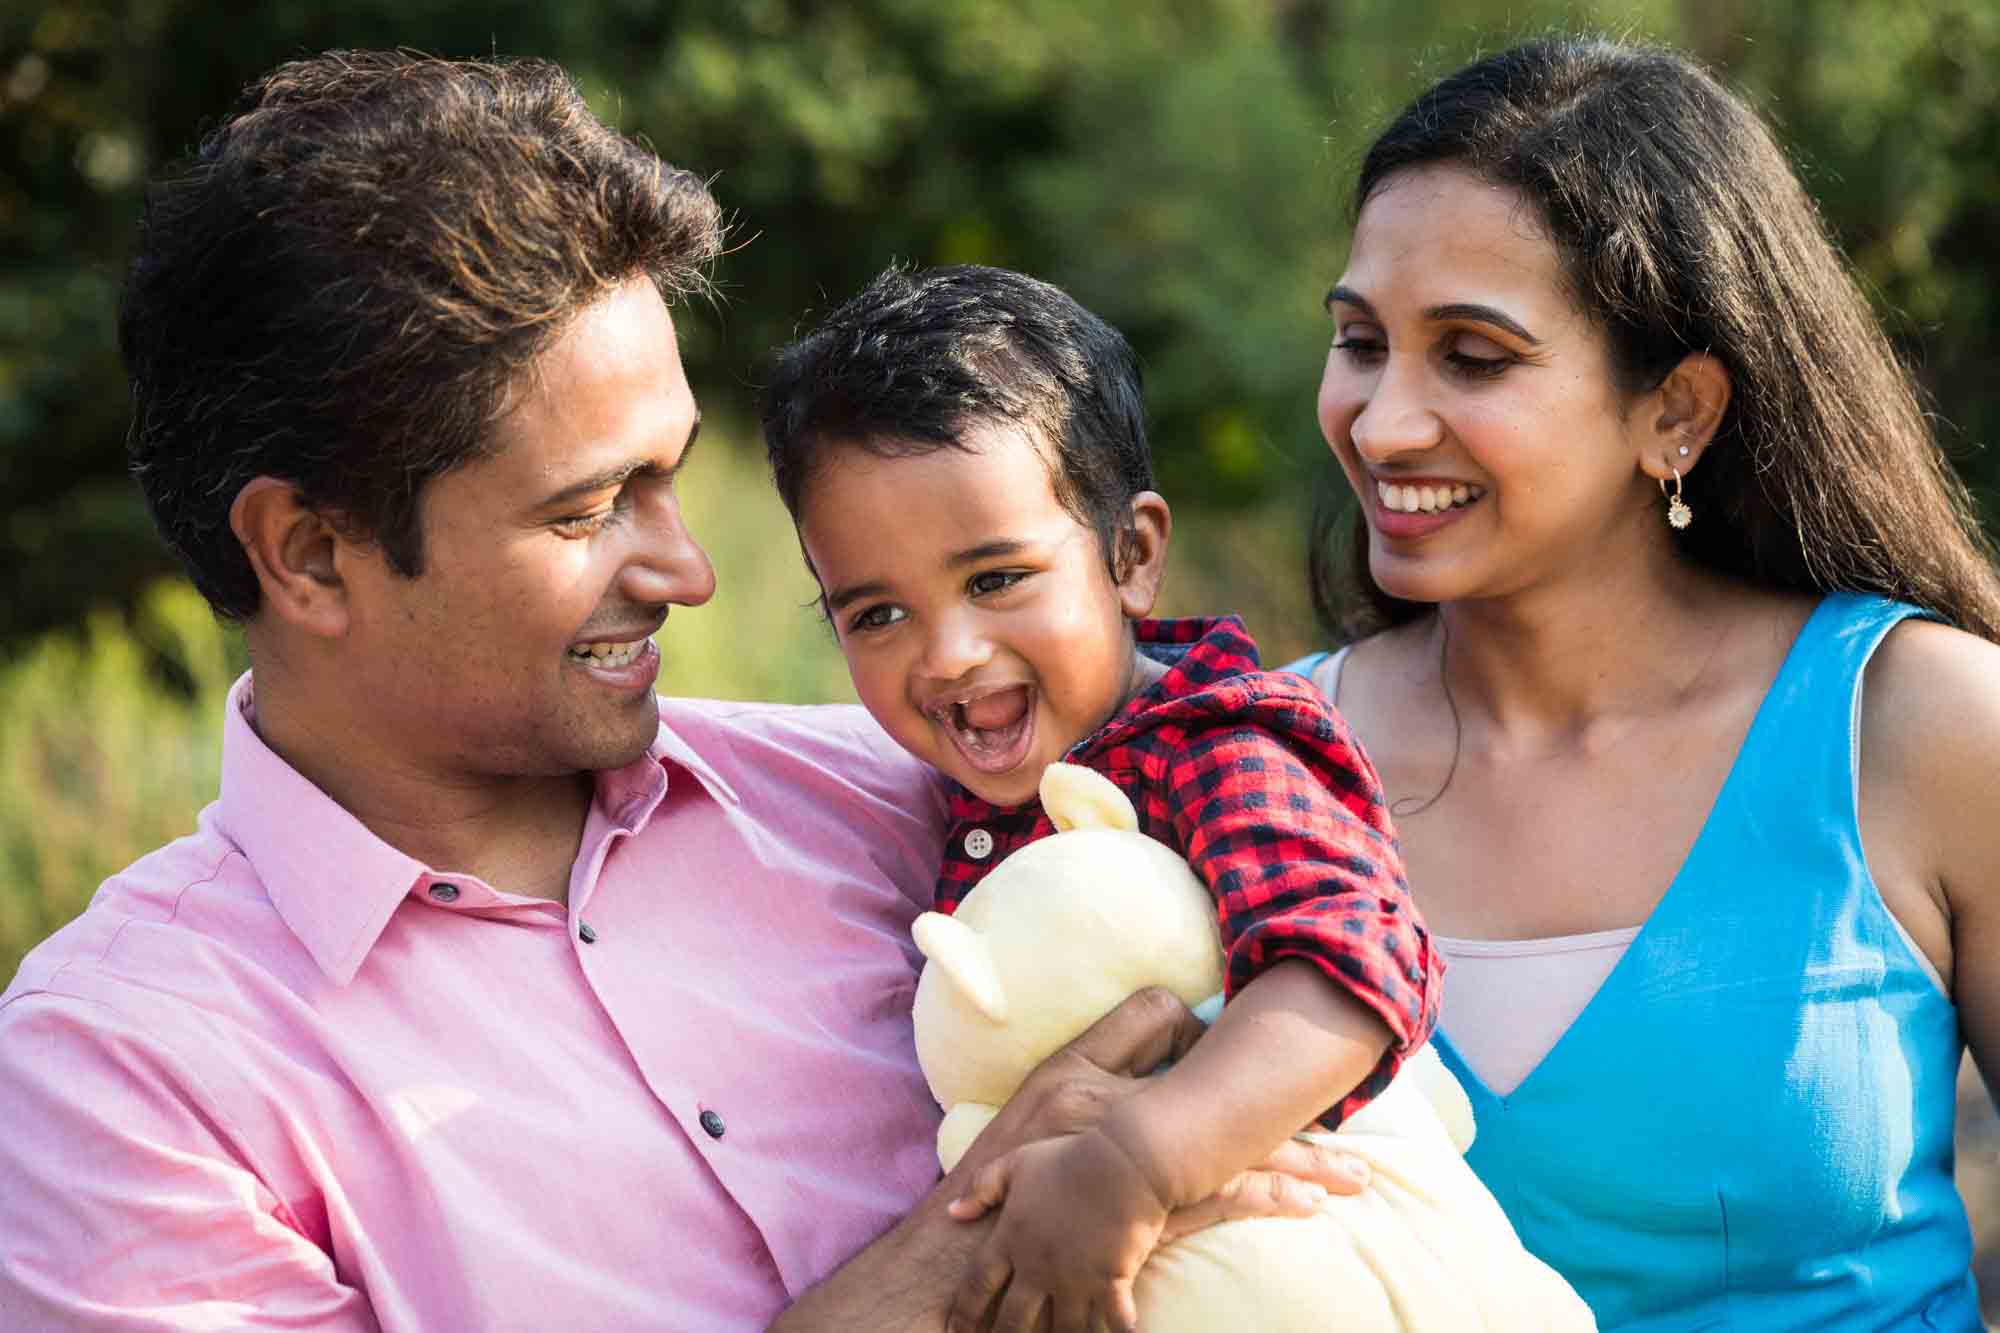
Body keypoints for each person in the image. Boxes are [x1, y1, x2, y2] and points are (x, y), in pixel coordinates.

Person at [0, 52, 1364, 1333]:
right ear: (308, 553)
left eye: (670, 476)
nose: (690, 569)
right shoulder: (121, 1080)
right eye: (591, 508)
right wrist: (972, 1233)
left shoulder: (914, 802)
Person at [1289, 36, 2000, 1332]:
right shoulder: (1262, 758)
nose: (1383, 422)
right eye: (1359, 341)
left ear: (1675, 411)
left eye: (1473, 356)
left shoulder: (1924, 728)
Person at [759, 264, 1442, 1333]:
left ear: (1130, 555)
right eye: (876, 613)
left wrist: (1137, 1159)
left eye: (994, 581)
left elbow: (1347, 967)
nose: (946, 654)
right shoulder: (948, 801)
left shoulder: (1211, 743)